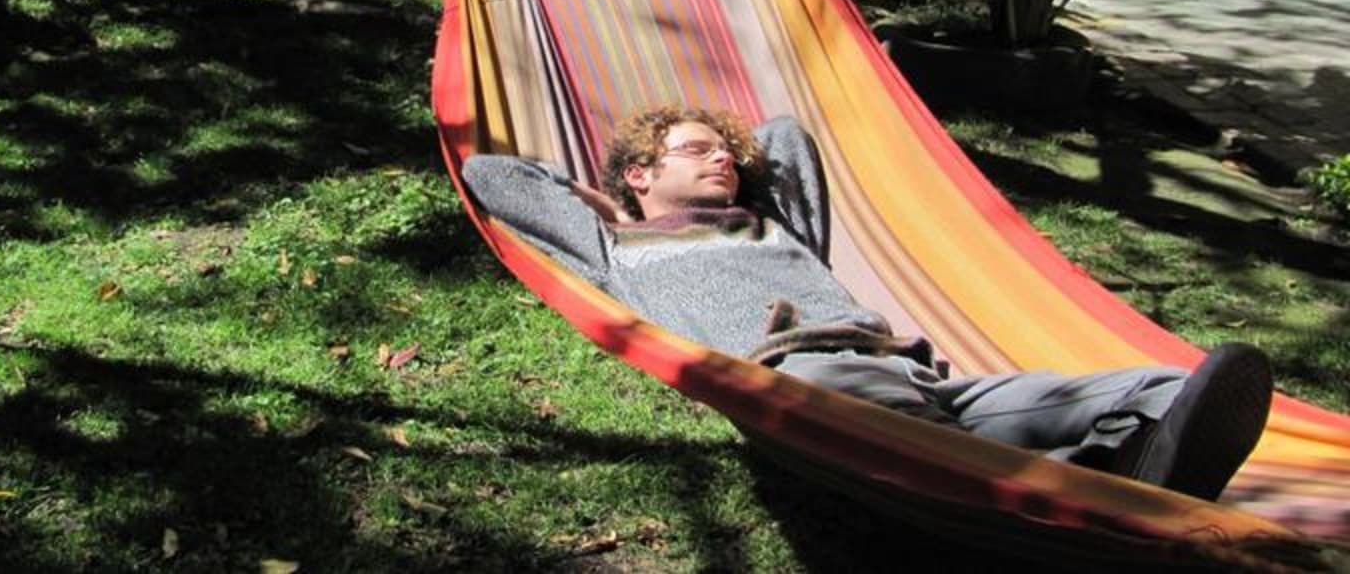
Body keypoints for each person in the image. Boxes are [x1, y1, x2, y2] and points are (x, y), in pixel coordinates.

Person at [462, 106, 1274, 501]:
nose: (722, 159)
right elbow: (492, 178)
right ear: (637, 174)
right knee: (931, 447)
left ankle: (1128, 465)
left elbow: (784, 137)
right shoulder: (617, 251)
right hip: (804, 382)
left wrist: (730, 154)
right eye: (693, 149)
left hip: (917, 376)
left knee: (1158, 385)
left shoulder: (777, 225)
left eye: (723, 151)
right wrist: (600, 202)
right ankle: (1102, 486)